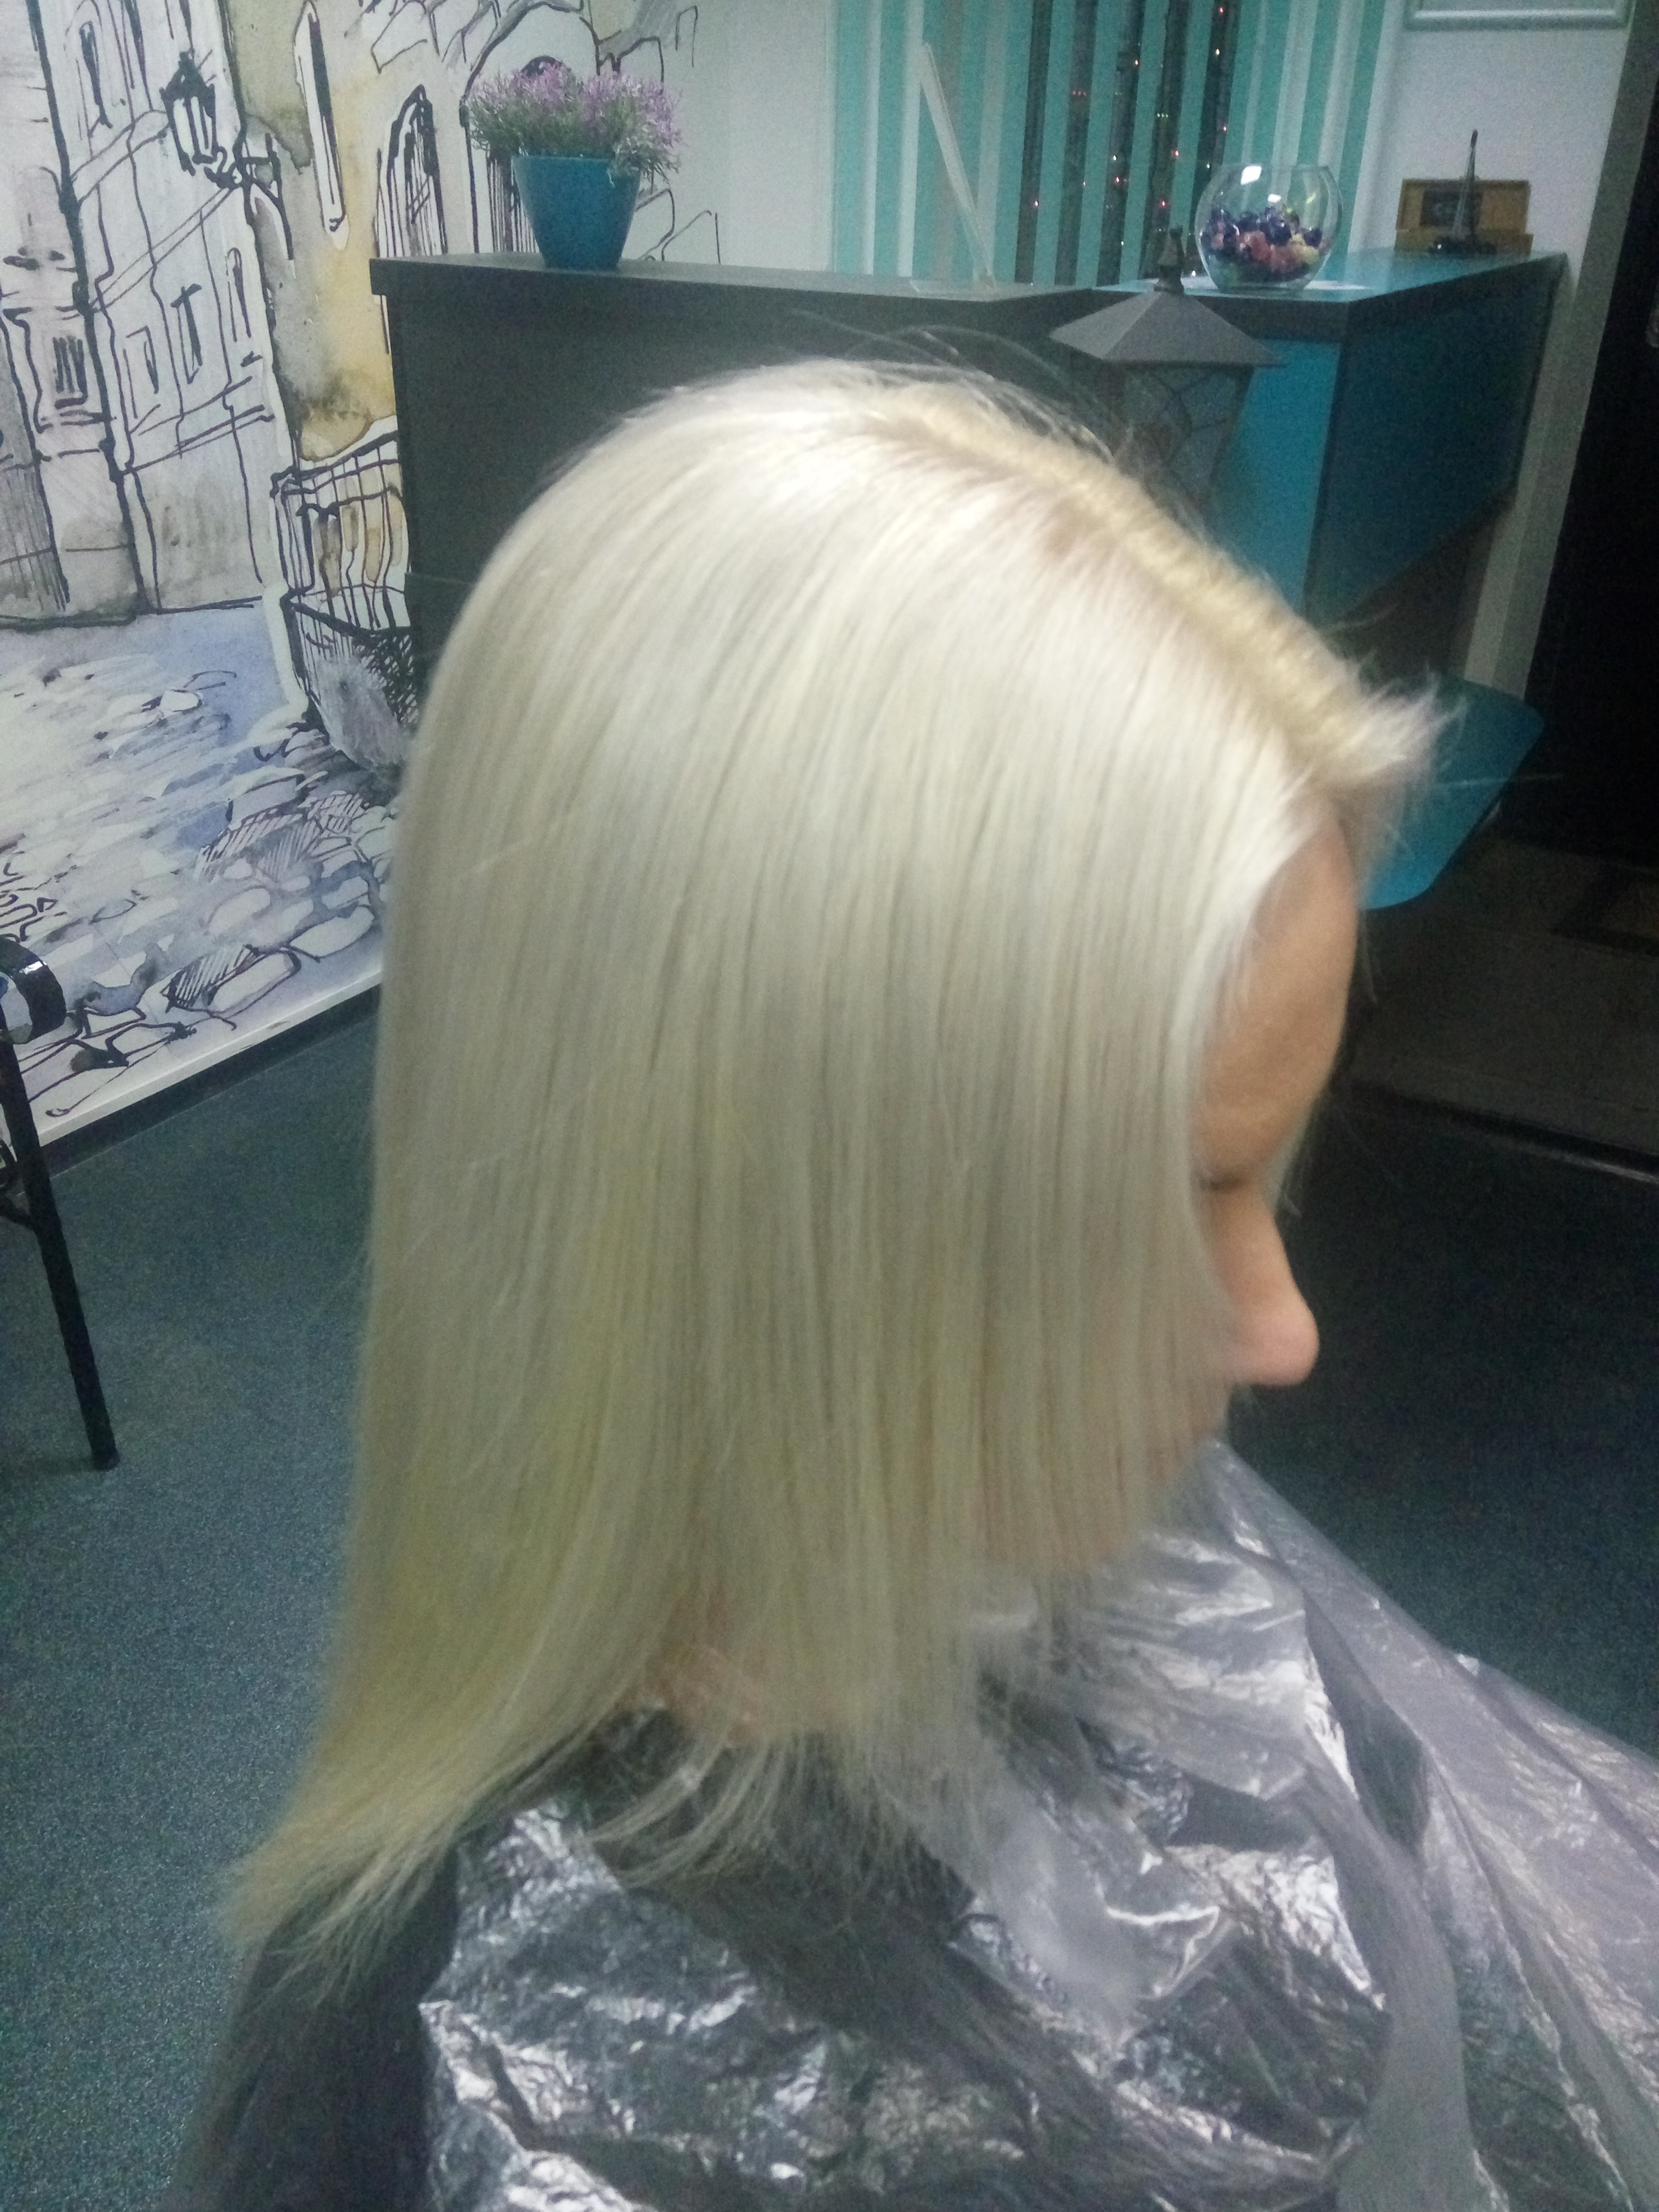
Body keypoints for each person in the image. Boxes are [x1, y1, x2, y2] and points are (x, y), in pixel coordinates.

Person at [170, 366, 1659, 2212]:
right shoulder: (422, 2083)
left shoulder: (1197, 1643)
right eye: (1175, 1199)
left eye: (1267, 1180)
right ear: (784, 1223)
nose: (1286, 1335)